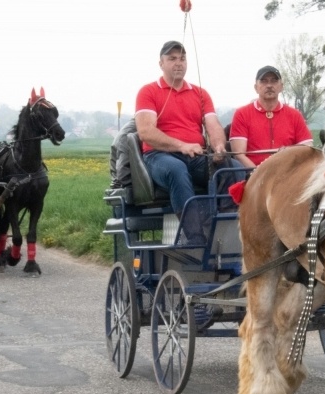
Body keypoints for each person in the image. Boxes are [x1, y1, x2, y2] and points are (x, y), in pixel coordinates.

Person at [135, 40, 242, 244]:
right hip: (159, 156)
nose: (178, 63)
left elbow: (213, 126)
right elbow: (146, 131)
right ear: (161, 63)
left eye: (182, 58)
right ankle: (195, 238)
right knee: (176, 169)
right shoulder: (148, 92)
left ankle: (224, 231)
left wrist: (219, 146)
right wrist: (181, 146)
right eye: (172, 58)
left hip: (196, 155)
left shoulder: (200, 94)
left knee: (233, 168)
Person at [229, 66, 313, 168]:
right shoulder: (241, 114)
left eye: (274, 81)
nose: (269, 85)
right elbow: (239, 155)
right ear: (256, 87)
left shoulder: (295, 115)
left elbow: (307, 149)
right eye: (264, 81)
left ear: (281, 86)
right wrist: (259, 175)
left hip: (289, 173)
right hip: (252, 176)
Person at [109, 118, 138, 189]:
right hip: (121, 183)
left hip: (119, 178)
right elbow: (123, 171)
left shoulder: (134, 126)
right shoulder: (129, 134)